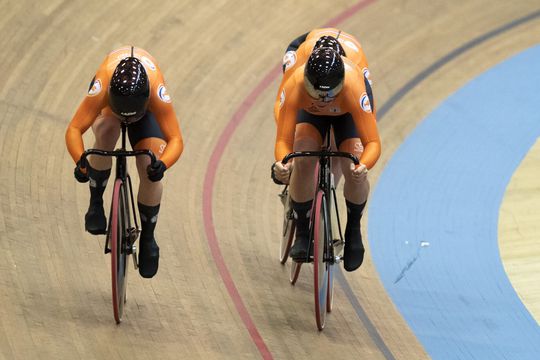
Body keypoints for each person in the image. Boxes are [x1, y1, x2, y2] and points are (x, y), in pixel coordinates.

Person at [65, 46, 183, 278]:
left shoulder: (156, 91)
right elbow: (74, 129)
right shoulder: (103, 86)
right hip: (111, 109)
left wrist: (163, 164)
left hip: (145, 111)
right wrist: (80, 161)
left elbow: (176, 139)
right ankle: (96, 202)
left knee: (149, 165)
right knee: (107, 130)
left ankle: (148, 238)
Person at [272, 31, 381, 272]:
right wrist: (283, 163)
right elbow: (283, 136)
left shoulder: (354, 85)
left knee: (352, 163)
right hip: (307, 108)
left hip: (348, 111)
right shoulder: (296, 82)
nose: (323, 99)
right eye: (316, 91)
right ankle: (302, 231)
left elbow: (372, 142)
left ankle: (353, 228)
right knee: (302, 155)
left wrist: (363, 166)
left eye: (329, 92)